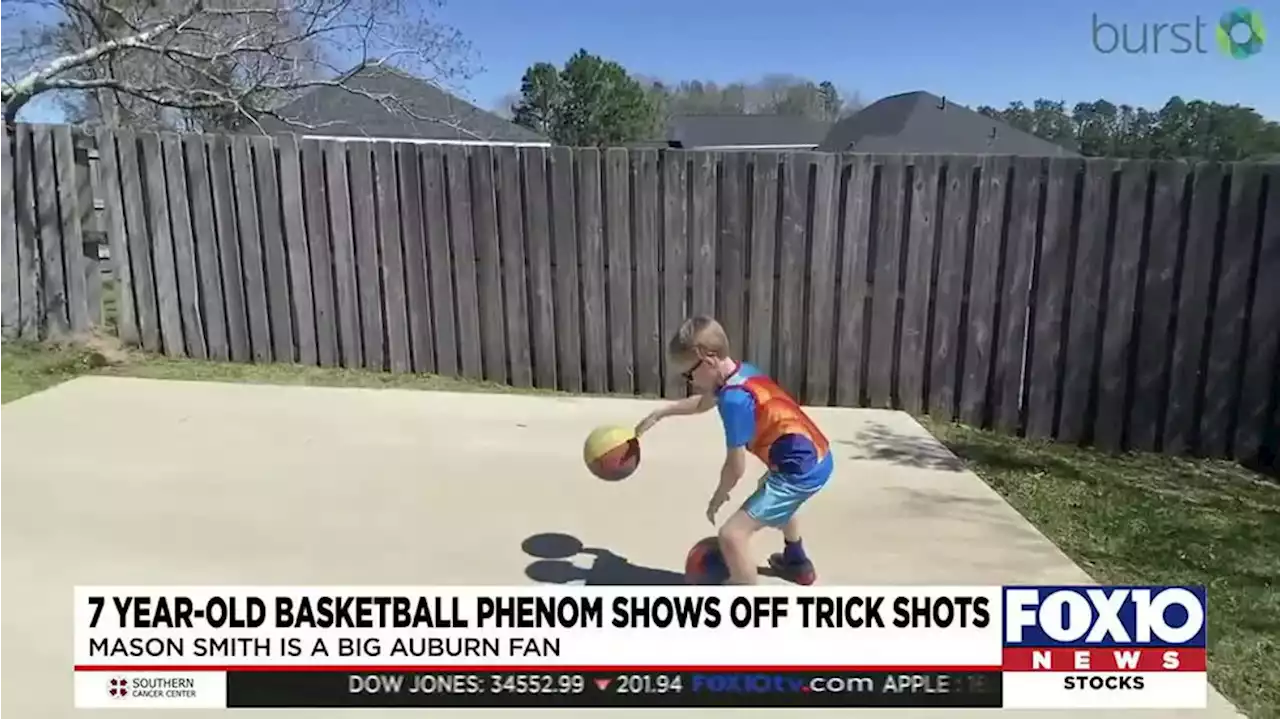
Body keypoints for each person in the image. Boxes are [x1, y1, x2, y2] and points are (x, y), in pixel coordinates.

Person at [634, 316, 834, 585]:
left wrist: (719, 495)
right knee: (773, 493)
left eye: (688, 375)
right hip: (815, 453)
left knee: (732, 535)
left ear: (708, 360)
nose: (690, 382)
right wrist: (664, 412)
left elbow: (735, 466)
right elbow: (705, 402)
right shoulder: (742, 373)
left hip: (801, 472)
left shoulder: (734, 400)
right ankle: (796, 561)